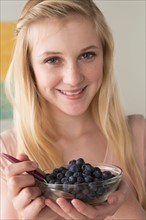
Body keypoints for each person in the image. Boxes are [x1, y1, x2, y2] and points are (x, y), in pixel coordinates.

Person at [0, 0, 145, 219]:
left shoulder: (139, 134)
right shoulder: (7, 155)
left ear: (105, 58)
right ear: (29, 68)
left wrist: (126, 206)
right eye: (53, 59)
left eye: (87, 55)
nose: (73, 78)